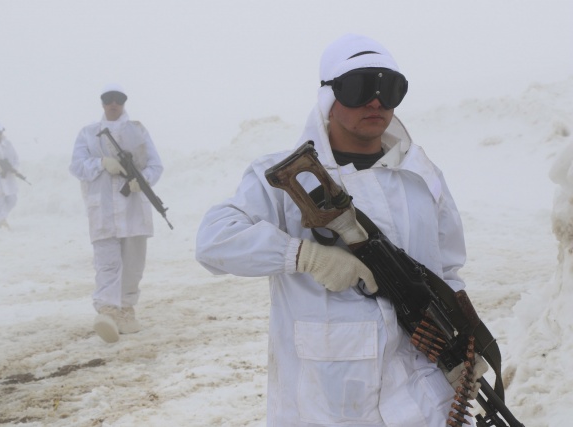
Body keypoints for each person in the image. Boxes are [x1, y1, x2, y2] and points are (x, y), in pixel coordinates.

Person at [195, 34, 487, 426]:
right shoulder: (284, 177)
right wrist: (304, 256)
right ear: (329, 97)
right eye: (361, 86)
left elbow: (447, 273)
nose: (376, 102)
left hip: (424, 398)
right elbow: (215, 240)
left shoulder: (422, 177)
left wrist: (465, 350)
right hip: (328, 401)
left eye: (390, 88)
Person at [69, 83, 164, 344]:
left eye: (118, 99)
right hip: (104, 211)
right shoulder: (89, 133)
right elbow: (76, 166)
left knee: (133, 264)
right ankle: (108, 311)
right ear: (102, 103)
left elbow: (156, 165)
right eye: (108, 99)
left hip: (134, 207)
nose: (113, 104)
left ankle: (126, 310)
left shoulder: (138, 131)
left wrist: (141, 180)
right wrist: (101, 163)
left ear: (124, 103)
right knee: (107, 263)